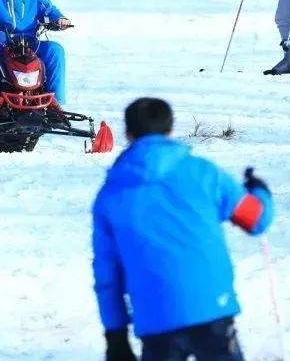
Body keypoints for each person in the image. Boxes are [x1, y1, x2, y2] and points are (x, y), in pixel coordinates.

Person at [93, 97, 274, 361]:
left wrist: (116, 337)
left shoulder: (110, 195)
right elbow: (257, 219)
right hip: (212, 308)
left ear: (128, 133)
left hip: (155, 318)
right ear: (170, 130)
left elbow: (107, 275)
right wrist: (260, 190)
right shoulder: (204, 173)